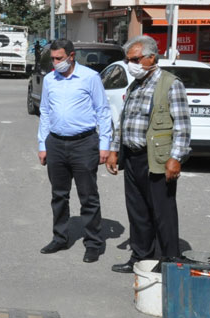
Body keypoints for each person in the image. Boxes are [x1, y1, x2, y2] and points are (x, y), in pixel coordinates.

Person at [105, 35, 190, 274]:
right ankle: (140, 257)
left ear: (151, 57)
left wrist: (176, 158)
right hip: (132, 157)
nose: (130, 64)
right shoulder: (136, 85)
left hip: (157, 159)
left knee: (163, 212)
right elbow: (123, 122)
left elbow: (182, 126)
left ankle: (170, 261)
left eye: (134, 59)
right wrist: (114, 151)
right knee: (138, 211)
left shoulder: (170, 84)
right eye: (128, 59)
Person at [37, 39, 112, 263]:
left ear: (71, 56)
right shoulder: (50, 79)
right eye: (52, 58)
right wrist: (43, 145)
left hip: (84, 143)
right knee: (58, 195)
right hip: (56, 144)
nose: (55, 62)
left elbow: (103, 111)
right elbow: (45, 112)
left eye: (59, 58)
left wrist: (105, 144)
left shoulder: (90, 77)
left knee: (88, 196)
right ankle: (60, 237)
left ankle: (93, 243)